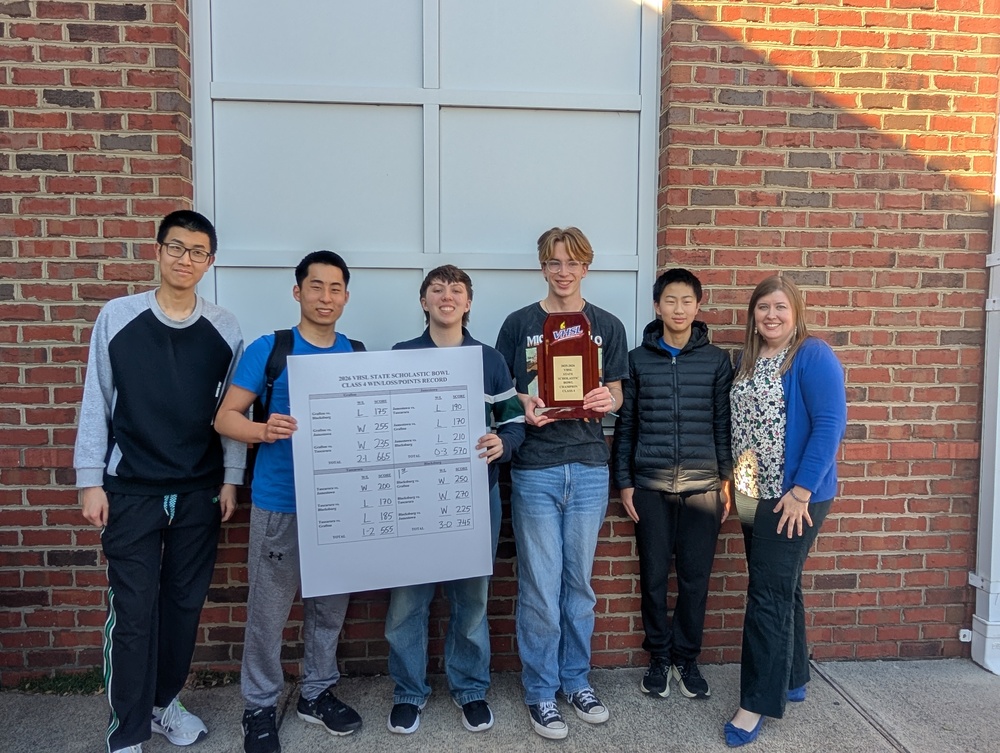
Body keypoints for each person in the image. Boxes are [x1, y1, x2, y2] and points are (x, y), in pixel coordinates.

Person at [74, 210, 244, 753]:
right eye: (176, 247)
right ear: (157, 250)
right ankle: (126, 731)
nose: (185, 259)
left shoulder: (225, 327)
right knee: (133, 612)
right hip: (131, 489)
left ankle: (163, 702)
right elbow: (95, 401)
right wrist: (89, 480)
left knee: (183, 607)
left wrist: (231, 478)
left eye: (198, 252)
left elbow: (231, 412)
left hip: (199, 489)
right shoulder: (117, 317)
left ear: (210, 262)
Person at [215, 251, 364, 753]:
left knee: (328, 608)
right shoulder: (271, 348)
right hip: (281, 502)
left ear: (346, 296)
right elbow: (225, 417)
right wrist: (262, 429)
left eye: (335, 288)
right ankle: (259, 707)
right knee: (269, 610)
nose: (326, 297)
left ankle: (316, 693)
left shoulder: (357, 353)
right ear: (297, 292)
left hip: (340, 506)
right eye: (316, 287)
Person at [495, 227, 628, 740]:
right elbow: (499, 397)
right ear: (543, 267)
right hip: (535, 468)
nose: (563, 271)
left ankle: (576, 680)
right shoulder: (519, 323)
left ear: (586, 267)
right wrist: (520, 407)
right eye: (554, 262)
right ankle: (541, 691)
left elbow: (616, 391)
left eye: (572, 262)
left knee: (579, 586)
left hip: (591, 467)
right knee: (539, 588)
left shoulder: (606, 325)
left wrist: (607, 402)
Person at [384, 265, 525, 735]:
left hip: (476, 496)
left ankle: (469, 689)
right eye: (437, 290)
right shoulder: (401, 356)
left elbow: (513, 422)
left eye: (457, 291)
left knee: (472, 599)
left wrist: (505, 444)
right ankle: (408, 692)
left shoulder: (488, 359)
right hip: (412, 499)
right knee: (408, 600)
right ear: (423, 301)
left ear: (468, 304)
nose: (447, 297)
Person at [723, 275, 847, 747]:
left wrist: (800, 490)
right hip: (754, 493)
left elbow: (830, 425)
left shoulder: (812, 354)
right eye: (762, 308)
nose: (770, 316)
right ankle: (793, 677)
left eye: (779, 307)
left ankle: (755, 703)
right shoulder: (750, 359)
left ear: (795, 311)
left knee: (767, 597)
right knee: (782, 586)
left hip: (794, 497)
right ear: (753, 314)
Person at [611, 268, 733, 701]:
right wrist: (625, 481)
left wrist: (725, 481)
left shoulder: (718, 361)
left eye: (686, 301)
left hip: (702, 487)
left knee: (696, 578)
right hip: (650, 485)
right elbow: (627, 426)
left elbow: (723, 425)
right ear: (656, 305)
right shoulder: (636, 359)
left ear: (698, 306)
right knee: (654, 577)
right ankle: (659, 657)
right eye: (670, 300)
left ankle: (687, 658)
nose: (678, 309)